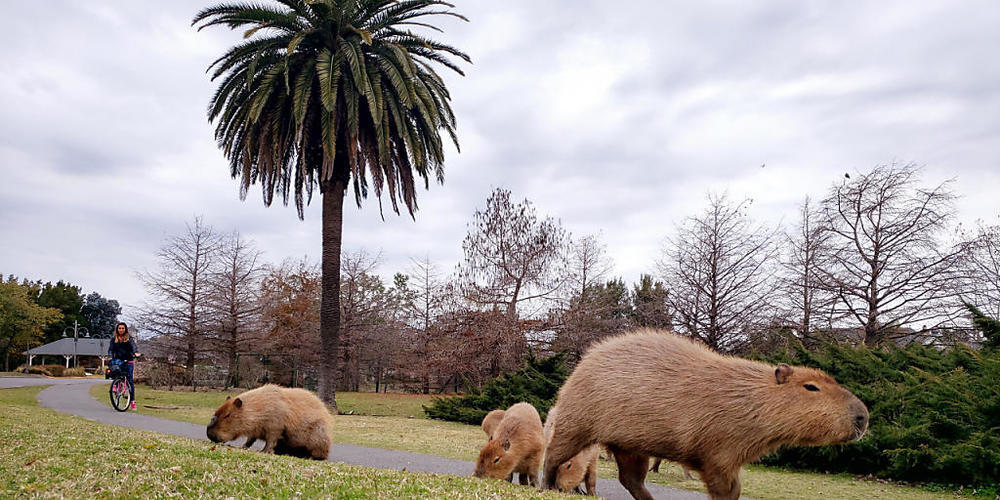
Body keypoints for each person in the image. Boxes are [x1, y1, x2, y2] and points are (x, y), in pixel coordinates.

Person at [108, 322, 140, 410]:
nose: (121, 330)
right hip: (118, 360)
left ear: (125, 329)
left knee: (130, 380)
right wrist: (110, 356)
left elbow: (133, 346)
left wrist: (136, 352)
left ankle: (132, 401)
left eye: (123, 328)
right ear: (117, 329)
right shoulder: (114, 339)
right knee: (116, 370)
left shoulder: (129, 338)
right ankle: (116, 384)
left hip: (128, 360)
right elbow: (111, 349)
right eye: (119, 328)